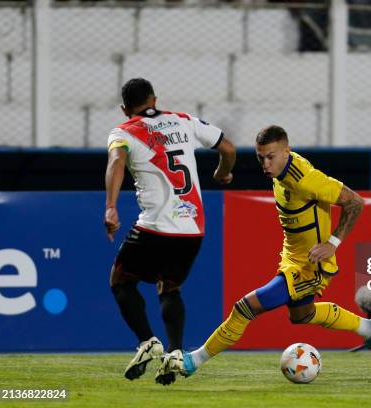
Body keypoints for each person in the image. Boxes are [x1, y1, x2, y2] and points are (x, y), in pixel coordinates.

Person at [154, 125, 371, 383]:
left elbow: (355, 201)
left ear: (286, 152)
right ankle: (370, 328)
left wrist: (332, 243)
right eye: (260, 157)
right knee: (302, 315)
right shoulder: (282, 171)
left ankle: (192, 361)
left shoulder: (305, 179)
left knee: (244, 308)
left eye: (271, 157)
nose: (265, 164)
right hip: (292, 259)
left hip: (310, 266)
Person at [104, 78, 236, 385]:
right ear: (154, 99)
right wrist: (223, 171)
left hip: (155, 225)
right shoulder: (184, 120)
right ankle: (176, 353)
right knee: (170, 287)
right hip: (192, 228)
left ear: (125, 109)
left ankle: (148, 342)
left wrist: (111, 206)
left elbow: (116, 160)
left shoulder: (123, 131)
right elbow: (227, 147)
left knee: (121, 280)